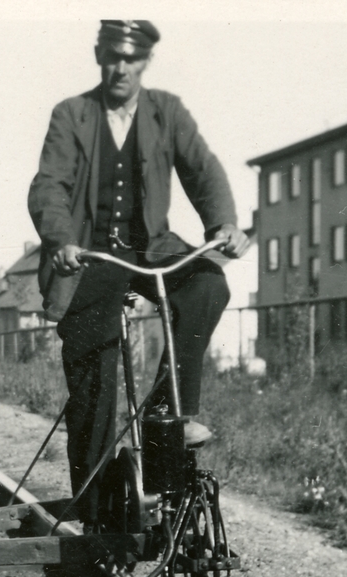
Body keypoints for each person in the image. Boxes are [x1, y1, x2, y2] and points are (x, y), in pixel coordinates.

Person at [28, 19, 249, 528]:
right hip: (90, 257)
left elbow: (202, 168)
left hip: (152, 249)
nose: (121, 68)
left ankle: (168, 412)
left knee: (207, 283)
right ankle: (95, 513)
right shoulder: (72, 114)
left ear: (146, 61)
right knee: (93, 382)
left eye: (131, 58)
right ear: (99, 56)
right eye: (113, 56)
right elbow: (50, 185)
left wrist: (223, 224)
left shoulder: (166, 110)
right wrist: (61, 240)